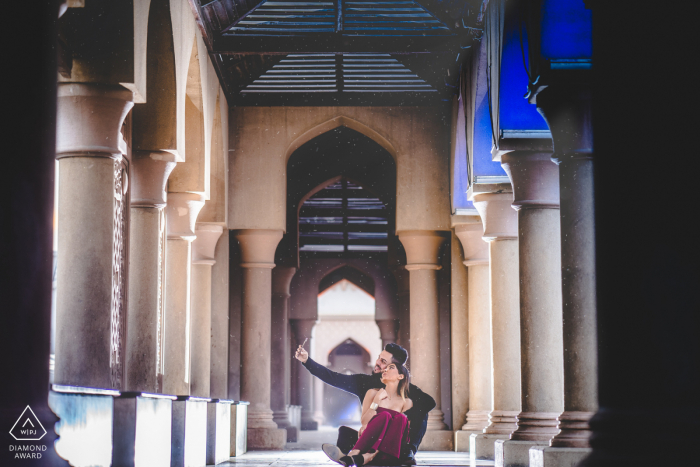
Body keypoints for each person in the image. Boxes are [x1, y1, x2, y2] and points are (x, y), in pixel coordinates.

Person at [295, 342, 435, 466]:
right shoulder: (365, 384)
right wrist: (307, 361)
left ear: (396, 368)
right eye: (379, 358)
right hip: (373, 433)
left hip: (394, 438)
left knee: (421, 412)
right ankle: (357, 454)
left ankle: (406, 452)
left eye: (383, 361)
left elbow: (429, 403)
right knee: (367, 423)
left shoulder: (408, 390)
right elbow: (333, 378)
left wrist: (403, 417)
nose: (378, 362)